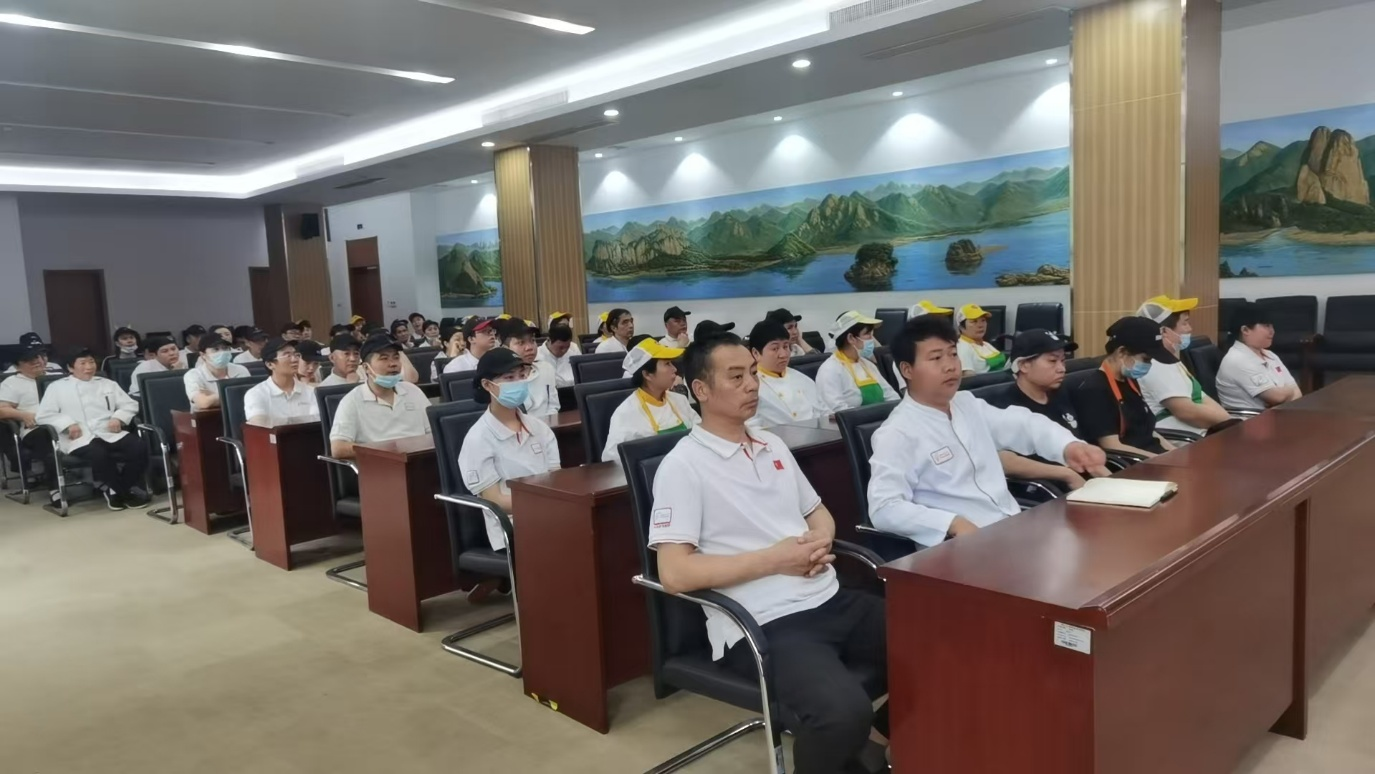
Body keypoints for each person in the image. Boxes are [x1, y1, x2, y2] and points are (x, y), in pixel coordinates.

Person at [649, 332, 888, 774]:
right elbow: (675, 574)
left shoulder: (771, 444)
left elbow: (817, 513)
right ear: (701, 390)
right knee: (841, 714)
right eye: (735, 377)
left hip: (828, 596)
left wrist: (818, 542)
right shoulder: (682, 467)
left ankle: (878, 743)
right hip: (763, 623)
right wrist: (777, 560)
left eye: (753, 374)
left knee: (940, 642)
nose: (752, 385)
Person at [868, 317, 1107, 547]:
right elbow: (884, 507)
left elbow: (1022, 424)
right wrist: (951, 523)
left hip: (1010, 529)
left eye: (953, 354)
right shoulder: (897, 432)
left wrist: (1068, 446)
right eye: (936, 358)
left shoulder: (966, 404)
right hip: (957, 547)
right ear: (907, 370)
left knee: (1092, 544)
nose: (950, 365)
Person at [457, 349, 561, 550]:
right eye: (509, 378)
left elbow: (557, 479)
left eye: (522, 376)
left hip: (550, 517)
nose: (519, 382)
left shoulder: (540, 428)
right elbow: (495, 500)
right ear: (488, 385)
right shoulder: (478, 438)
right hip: (512, 530)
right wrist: (541, 505)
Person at [983, 330, 1101, 491]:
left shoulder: (1061, 394)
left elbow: (1085, 456)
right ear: (1023, 365)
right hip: (1046, 492)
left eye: (1063, 361)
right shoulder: (1002, 407)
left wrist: (1112, 483)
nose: (1061, 369)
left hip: (1085, 486)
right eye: (1052, 361)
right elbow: (1005, 461)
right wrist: (1066, 474)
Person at [37, 348, 149, 510]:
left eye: (91, 362)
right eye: (82, 363)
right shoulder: (57, 387)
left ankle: (117, 489)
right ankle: (123, 493)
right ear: (70, 368)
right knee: (99, 453)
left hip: (108, 431)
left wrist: (118, 417)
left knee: (139, 447)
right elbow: (44, 414)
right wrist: (67, 424)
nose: (89, 367)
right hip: (79, 436)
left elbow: (129, 404)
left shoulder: (108, 384)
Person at [1073, 316, 1178, 458]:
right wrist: (1158, 460)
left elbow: (1147, 431)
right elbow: (1111, 445)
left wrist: (1175, 453)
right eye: (1146, 359)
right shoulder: (1095, 390)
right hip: (1133, 462)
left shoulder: (1130, 381)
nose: (1149, 365)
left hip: (1154, 456)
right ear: (1122, 352)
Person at [1136, 296, 1233, 434]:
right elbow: (1187, 412)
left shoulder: (1170, 360)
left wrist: (1229, 422)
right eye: (1185, 323)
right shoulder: (1154, 365)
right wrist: (1229, 425)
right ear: (1164, 331)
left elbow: (1201, 397)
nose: (1190, 329)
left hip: (1201, 432)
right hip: (1184, 437)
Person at [329, 336, 431, 459]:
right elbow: (338, 448)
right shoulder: (352, 401)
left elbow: (434, 432)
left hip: (423, 459)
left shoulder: (413, 391)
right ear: (366, 368)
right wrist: (386, 450)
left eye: (396, 357)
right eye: (384, 358)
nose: (393, 364)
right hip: (382, 463)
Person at [601, 339, 698, 462]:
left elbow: (701, 433)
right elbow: (612, 459)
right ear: (647, 374)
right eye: (667, 364)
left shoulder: (679, 400)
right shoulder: (626, 413)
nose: (674, 369)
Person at [1217, 301, 1302, 411]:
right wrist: (1289, 391)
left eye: (1272, 326)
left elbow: (1298, 393)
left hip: (1277, 415)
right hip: (1249, 419)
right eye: (1266, 326)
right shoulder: (1237, 359)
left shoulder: (1270, 355)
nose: (1272, 331)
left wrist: (1285, 394)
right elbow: (1276, 397)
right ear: (1245, 330)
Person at [0, 348, 57, 501]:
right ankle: (55, 489)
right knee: (48, 441)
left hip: (64, 422)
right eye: (28, 360)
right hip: (35, 428)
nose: (36, 362)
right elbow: (2, 410)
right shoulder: (12, 383)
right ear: (17, 366)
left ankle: (101, 482)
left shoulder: (56, 378)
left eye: (38, 357)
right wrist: (23, 415)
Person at [747, 319, 825, 427]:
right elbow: (751, 427)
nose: (783, 354)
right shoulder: (750, 387)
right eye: (775, 348)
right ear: (756, 353)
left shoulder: (803, 379)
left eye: (785, 346)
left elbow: (823, 413)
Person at [815, 311, 897, 412]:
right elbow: (836, 411)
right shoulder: (830, 370)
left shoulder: (867, 365)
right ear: (851, 338)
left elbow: (891, 396)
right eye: (867, 334)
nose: (871, 339)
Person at [243, 338, 319, 427]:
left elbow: (317, 424)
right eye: (288, 355)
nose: (295, 359)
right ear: (270, 364)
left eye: (296, 355)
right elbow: (259, 428)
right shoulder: (256, 394)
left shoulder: (311, 392)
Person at [498, 318, 559, 417]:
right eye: (521, 343)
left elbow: (554, 407)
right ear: (505, 348)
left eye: (532, 340)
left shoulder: (546, 369)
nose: (529, 347)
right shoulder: (500, 378)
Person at [185, 333, 251, 409]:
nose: (222, 352)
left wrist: (213, 396)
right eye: (216, 349)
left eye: (225, 348)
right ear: (203, 355)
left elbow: (249, 398)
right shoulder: (193, 375)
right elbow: (203, 403)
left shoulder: (241, 370)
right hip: (207, 415)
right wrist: (234, 394)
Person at [955, 304, 1006, 376]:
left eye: (983, 320)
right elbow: (968, 378)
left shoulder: (986, 344)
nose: (980, 325)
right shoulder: (963, 347)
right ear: (961, 327)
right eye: (974, 321)